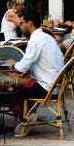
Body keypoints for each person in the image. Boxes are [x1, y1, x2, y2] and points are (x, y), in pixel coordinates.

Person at [13, 9, 65, 138]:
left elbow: (22, 66)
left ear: (29, 23)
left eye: (21, 23)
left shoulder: (36, 39)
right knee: (21, 80)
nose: (20, 26)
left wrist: (12, 65)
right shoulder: (45, 36)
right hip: (54, 83)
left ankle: (26, 119)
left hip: (46, 87)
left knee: (11, 88)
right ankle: (29, 113)